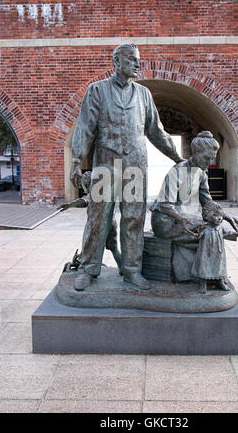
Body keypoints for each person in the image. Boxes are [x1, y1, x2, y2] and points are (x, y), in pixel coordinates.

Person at [70, 44, 182, 291]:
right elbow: (85, 128)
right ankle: (88, 269)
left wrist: (177, 157)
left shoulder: (143, 94)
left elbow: (156, 131)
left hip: (135, 166)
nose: (137, 64)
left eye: (138, 60)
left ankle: (132, 271)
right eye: (132, 60)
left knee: (134, 220)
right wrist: (77, 161)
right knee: (97, 219)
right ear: (117, 61)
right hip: (104, 167)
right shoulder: (97, 90)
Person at [150, 131, 238, 282]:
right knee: (208, 233)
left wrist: (225, 216)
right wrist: (181, 218)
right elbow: (164, 204)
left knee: (211, 230)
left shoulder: (202, 173)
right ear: (196, 152)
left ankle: (206, 274)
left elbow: (207, 200)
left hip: (180, 217)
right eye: (206, 157)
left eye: (212, 158)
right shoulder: (177, 171)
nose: (209, 162)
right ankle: (197, 275)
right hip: (164, 220)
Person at [58, 171, 122, 272]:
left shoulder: (94, 193)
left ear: (86, 184)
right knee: (114, 249)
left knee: (88, 247)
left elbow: (83, 202)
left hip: (98, 225)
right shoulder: (106, 191)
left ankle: (86, 267)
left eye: (82, 185)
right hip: (112, 223)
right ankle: (122, 268)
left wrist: (69, 205)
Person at [192, 200, 238, 293]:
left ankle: (220, 281)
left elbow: (228, 233)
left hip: (218, 253)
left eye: (220, 216)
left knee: (219, 266)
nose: (219, 218)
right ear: (206, 216)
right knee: (204, 265)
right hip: (205, 253)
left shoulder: (220, 228)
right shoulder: (204, 228)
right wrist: (197, 232)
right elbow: (197, 236)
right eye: (215, 215)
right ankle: (203, 283)